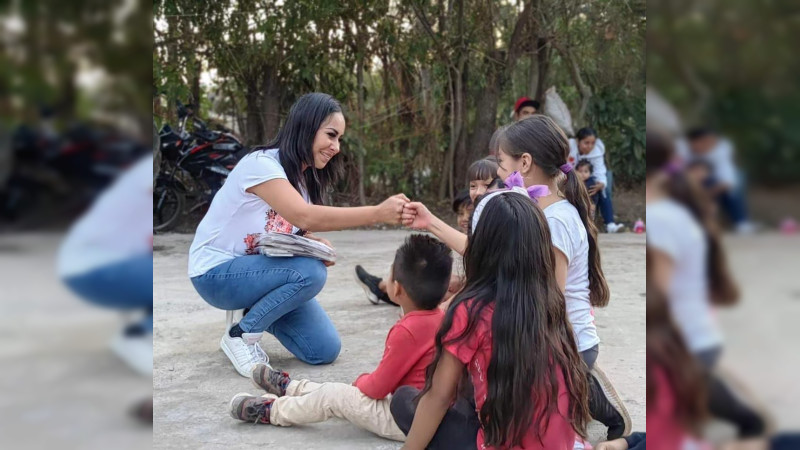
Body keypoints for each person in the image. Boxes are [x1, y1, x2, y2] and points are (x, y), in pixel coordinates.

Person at [401, 115, 632, 440]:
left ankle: (590, 393)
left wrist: (472, 311)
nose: (497, 171)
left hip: (562, 346)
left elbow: (549, 304)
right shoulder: (533, 211)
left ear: (524, 163)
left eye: (501, 161)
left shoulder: (554, 222)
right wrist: (431, 223)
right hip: (538, 337)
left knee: (465, 395)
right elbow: (488, 253)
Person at [188, 93, 409, 377]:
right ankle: (241, 335)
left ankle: (253, 314)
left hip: (255, 277)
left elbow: (290, 227)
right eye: (331, 135)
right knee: (310, 272)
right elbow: (304, 215)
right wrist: (377, 213)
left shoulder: (303, 181)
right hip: (215, 274)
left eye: (339, 138)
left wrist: (309, 242)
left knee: (324, 350)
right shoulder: (262, 165)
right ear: (306, 126)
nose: (336, 147)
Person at [392, 192, 591, 449]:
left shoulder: (471, 310)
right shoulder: (551, 300)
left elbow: (438, 398)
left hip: (499, 441)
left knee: (404, 400)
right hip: (559, 442)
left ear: (481, 248)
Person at [228, 235, 452, 442]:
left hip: (405, 421)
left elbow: (376, 388)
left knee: (333, 396)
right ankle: (292, 388)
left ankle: (273, 410)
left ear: (397, 289)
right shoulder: (442, 318)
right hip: (421, 411)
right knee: (341, 392)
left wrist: (362, 381)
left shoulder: (408, 330)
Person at [646, 131, 768, 440]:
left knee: (687, 396)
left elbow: (658, 296)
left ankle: (748, 420)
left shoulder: (661, 220)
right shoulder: (673, 212)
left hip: (685, 341)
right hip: (695, 334)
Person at [58, 154, 154, 422]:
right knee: (190, 274)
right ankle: (136, 334)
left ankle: (141, 328)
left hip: (91, 265)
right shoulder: (146, 174)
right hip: (95, 267)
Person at [355, 158, 502, 306]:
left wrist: (445, 309)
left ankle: (381, 287)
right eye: (473, 186)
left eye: (487, 185)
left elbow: (484, 266)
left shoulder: (506, 217)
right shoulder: (482, 219)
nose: (478, 192)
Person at [683, 127, 755, 233]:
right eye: (707, 142)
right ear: (694, 142)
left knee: (733, 189)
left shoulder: (720, 152)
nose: (711, 145)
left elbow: (728, 182)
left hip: (710, 185)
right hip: (685, 182)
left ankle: (741, 222)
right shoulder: (680, 149)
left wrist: (707, 194)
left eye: (713, 142)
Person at [568, 127, 624, 233]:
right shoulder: (569, 148)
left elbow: (600, 170)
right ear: (577, 141)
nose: (590, 146)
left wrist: (601, 184)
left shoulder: (597, 151)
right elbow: (564, 166)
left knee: (603, 189)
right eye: (586, 142)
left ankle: (610, 224)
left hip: (589, 180)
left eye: (592, 143)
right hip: (571, 179)